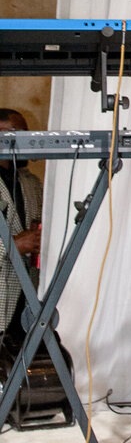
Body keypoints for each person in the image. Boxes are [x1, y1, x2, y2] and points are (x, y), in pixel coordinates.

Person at [0, 109, 41, 335]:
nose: (29, 141)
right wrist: (12, 245)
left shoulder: (31, 182)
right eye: (23, 134)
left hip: (25, 302)